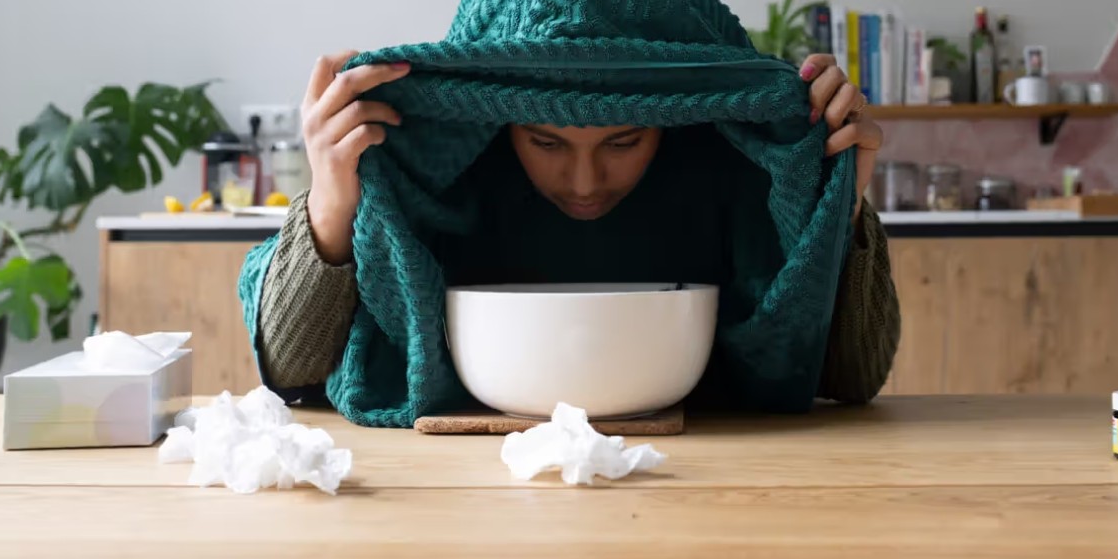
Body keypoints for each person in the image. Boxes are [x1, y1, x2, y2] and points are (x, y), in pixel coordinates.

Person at [253, 48, 900, 407]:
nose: (585, 182)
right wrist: (332, 205)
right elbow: (291, 370)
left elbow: (851, 379)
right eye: (546, 141)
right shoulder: (435, 186)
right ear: (500, 121)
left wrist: (834, 210)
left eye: (624, 141)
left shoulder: (733, 176)